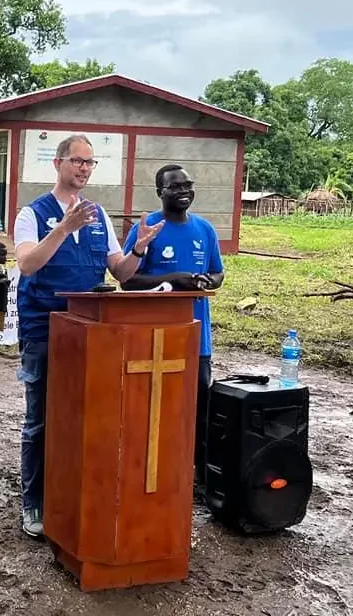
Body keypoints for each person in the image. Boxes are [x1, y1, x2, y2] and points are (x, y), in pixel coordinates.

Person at [13, 133, 165, 539]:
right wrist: (62, 229)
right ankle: (33, 502)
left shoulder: (98, 216)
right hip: (44, 331)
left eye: (89, 163)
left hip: (92, 335)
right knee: (41, 420)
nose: (83, 168)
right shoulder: (32, 213)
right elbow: (28, 264)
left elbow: (120, 273)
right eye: (77, 160)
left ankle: (74, 493)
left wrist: (139, 251)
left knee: (86, 418)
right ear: (58, 163)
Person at [121, 164, 224, 481]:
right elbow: (127, 280)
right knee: (154, 410)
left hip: (197, 339)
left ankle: (198, 478)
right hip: (154, 340)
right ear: (159, 192)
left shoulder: (205, 229)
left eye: (187, 186)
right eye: (175, 187)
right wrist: (174, 280)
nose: (183, 191)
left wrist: (207, 280)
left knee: (197, 410)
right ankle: (150, 472)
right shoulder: (147, 228)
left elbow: (218, 271)